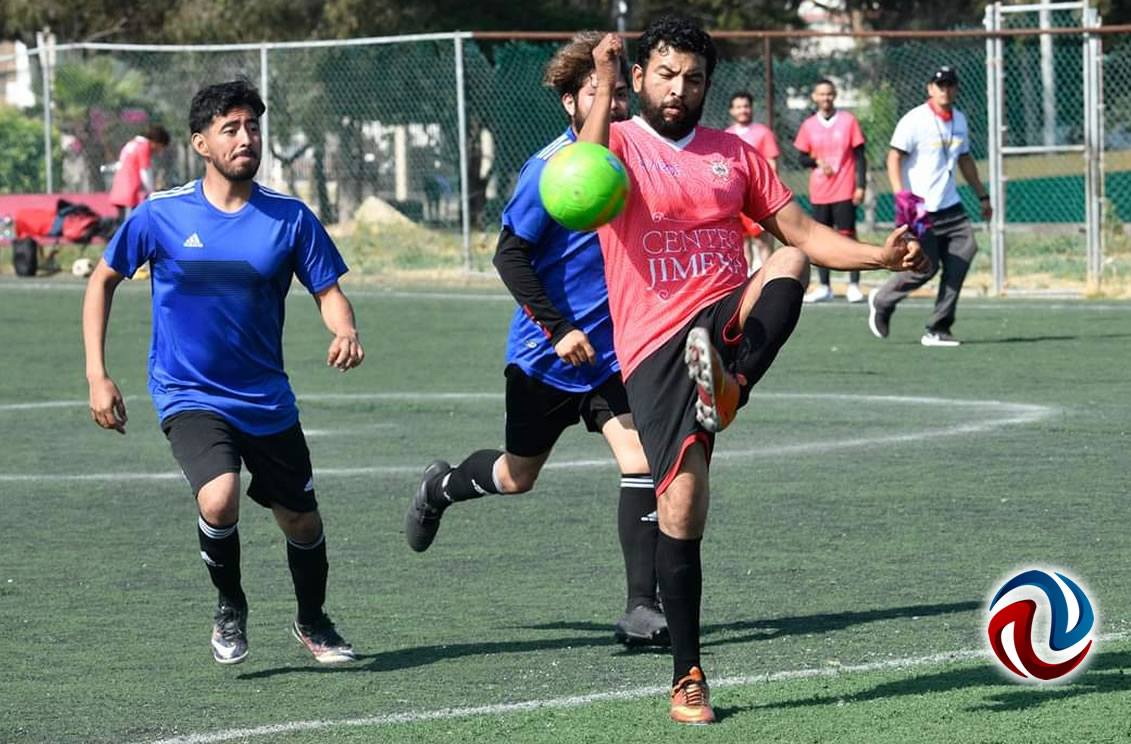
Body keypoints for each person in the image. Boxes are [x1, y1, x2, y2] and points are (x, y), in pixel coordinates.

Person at [580, 19, 927, 724]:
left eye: (694, 79)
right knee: (681, 506)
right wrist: (604, 78)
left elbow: (801, 234)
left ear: (708, 85)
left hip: (722, 322)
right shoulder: (613, 144)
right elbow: (582, 174)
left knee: (788, 261)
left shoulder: (734, 155)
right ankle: (687, 678)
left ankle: (734, 380)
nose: (680, 90)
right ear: (643, 76)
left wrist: (879, 259)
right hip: (652, 349)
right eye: (667, 75)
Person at [82, 80, 364, 666]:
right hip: (189, 392)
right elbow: (102, 279)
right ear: (201, 143)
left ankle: (312, 620)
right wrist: (97, 374)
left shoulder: (289, 218)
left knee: (302, 522)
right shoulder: (161, 214)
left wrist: (344, 328)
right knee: (219, 498)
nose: (246, 138)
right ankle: (230, 604)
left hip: (265, 399)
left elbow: (327, 290)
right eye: (231, 128)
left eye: (253, 127)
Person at [404, 32, 668, 648]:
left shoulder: (637, 160)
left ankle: (639, 607)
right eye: (600, 94)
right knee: (517, 475)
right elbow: (510, 256)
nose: (617, 106)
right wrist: (559, 327)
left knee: (643, 466)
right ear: (570, 103)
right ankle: (439, 487)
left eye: (622, 95)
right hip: (545, 360)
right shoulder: (552, 171)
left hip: (612, 357)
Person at [868, 65, 992, 347]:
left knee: (965, 251)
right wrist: (901, 195)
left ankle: (938, 328)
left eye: (950, 84)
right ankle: (883, 299)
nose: (945, 89)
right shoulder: (915, 120)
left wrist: (982, 196)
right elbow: (893, 157)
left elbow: (964, 159)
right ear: (930, 89)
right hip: (922, 209)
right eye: (940, 85)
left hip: (951, 206)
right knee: (925, 267)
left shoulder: (959, 119)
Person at [794, 79, 867, 303]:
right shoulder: (808, 125)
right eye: (821, 94)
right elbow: (802, 158)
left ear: (834, 95)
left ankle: (853, 285)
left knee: (848, 238)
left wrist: (861, 185)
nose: (825, 98)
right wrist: (817, 162)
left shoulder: (848, 121)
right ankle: (825, 286)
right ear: (814, 97)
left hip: (845, 190)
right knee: (821, 241)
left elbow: (860, 156)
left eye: (829, 94)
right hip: (820, 193)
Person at [725, 91, 780, 275]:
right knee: (740, 243)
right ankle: (744, 284)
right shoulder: (726, 135)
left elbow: (772, 164)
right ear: (732, 110)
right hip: (734, 198)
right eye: (739, 107)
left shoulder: (763, 132)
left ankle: (768, 280)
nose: (743, 110)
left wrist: (767, 193)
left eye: (746, 106)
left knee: (762, 241)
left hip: (756, 197)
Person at [108, 123, 171, 219]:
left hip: (119, 189)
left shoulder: (131, 143)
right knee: (128, 224)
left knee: (122, 222)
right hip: (128, 193)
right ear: (155, 141)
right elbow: (145, 171)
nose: (159, 150)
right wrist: (151, 191)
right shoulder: (144, 147)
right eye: (160, 146)